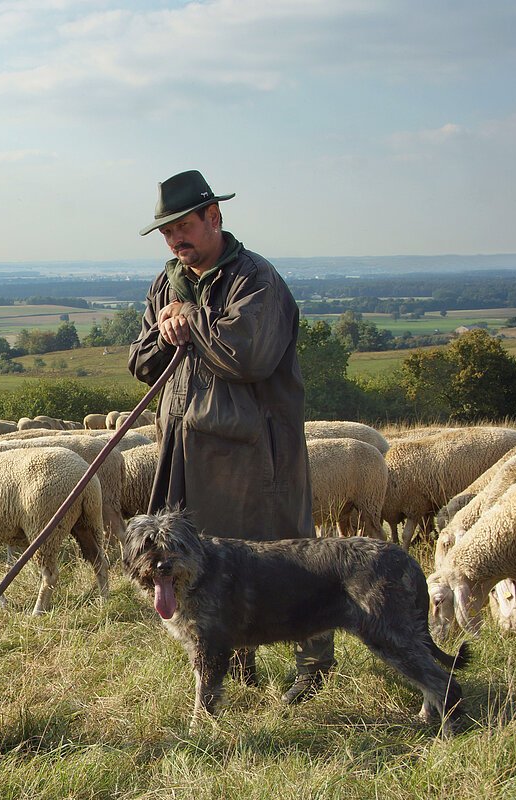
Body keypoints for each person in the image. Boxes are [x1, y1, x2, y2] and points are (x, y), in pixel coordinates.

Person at [127, 169, 335, 704]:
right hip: (185, 447)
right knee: (209, 562)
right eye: (167, 231)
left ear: (214, 217)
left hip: (253, 451)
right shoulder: (166, 283)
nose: (175, 239)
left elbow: (248, 357)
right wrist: (167, 331)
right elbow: (143, 362)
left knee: (286, 555)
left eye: (183, 226)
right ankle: (235, 665)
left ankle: (313, 667)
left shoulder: (255, 278)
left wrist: (189, 320)